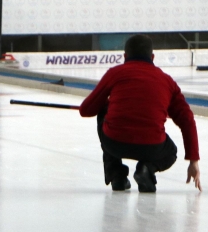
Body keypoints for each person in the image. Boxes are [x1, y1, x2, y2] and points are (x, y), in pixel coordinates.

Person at [79, 34, 200, 193]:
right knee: (171, 152)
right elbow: (187, 119)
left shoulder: (115, 73)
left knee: (104, 112)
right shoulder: (167, 81)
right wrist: (193, 161)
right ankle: (146, 169)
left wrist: (109, 103)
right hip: (152, 147)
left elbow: (86, 110)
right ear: (152, 57)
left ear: (125, 56)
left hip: (114, 144)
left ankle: (117, 177)